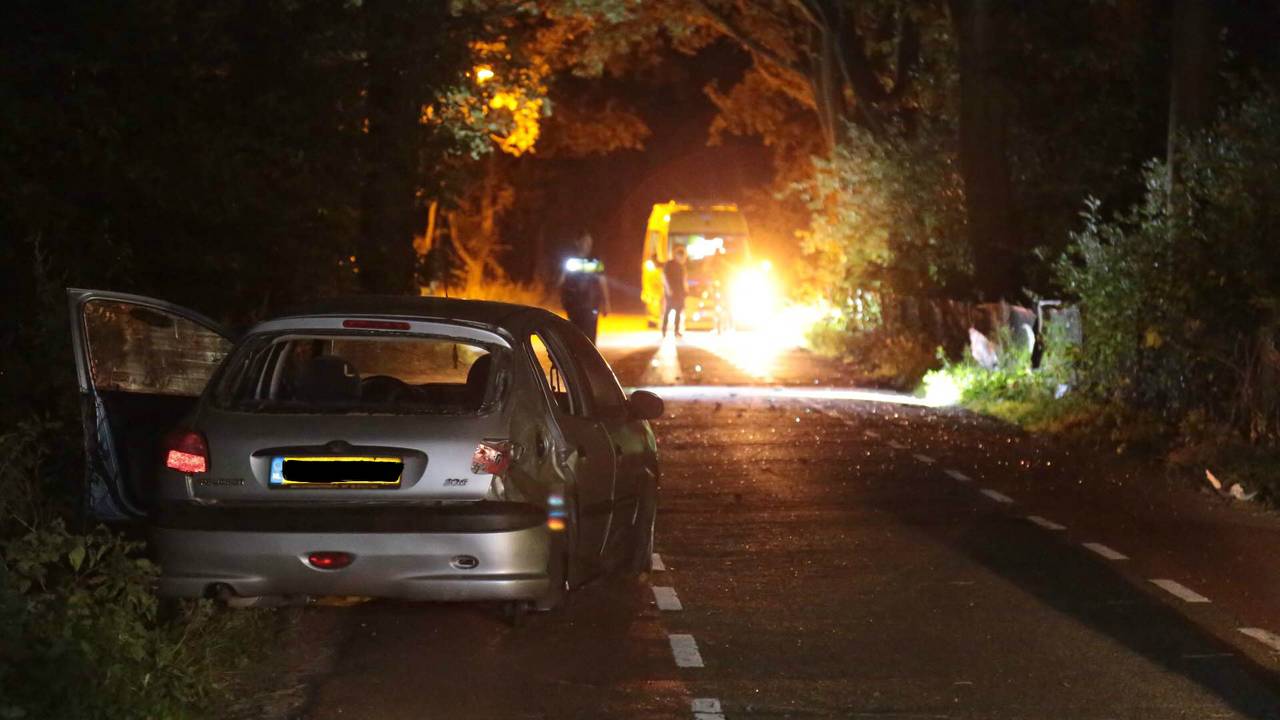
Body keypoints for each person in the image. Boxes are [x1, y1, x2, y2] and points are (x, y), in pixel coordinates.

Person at [558, 232, 611, 343]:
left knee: (590, 335)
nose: (587, 245)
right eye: (584, 242)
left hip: (591, 304)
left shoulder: (595, 261)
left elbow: (602, 281)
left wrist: (606, 303)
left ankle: (590, 357)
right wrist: (562, 299)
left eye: (589, 242)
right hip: (574, 305)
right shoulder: (571, 261)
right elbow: (562, 281)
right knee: (575, 334)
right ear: (577, 243)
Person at [661, 244, 688, 338]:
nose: (683, 259)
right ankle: (664, 329)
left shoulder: (682, 266)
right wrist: (668, 289)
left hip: (679, 293)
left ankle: (676, 331)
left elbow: (684, 279)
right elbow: (664, 277)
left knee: (678, 312)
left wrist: (686, 290)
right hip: (671, 293)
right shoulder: (669, 264)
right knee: (668, 311)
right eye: (682, 256)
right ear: (677, 255)